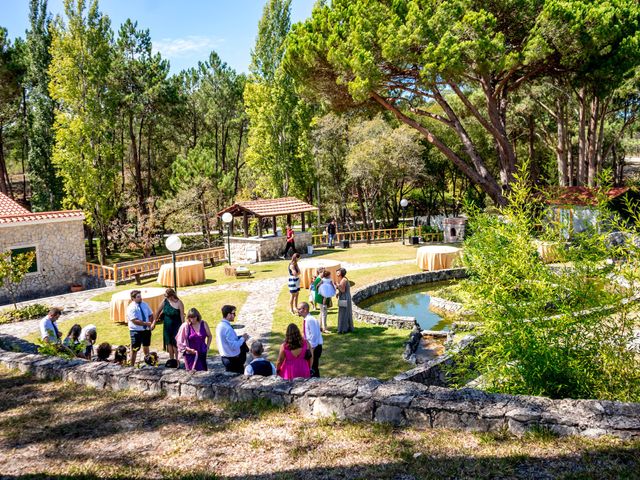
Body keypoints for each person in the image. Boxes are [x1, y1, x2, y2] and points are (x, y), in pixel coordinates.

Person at [215, 305, 249, 374]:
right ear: (228, 314)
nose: (235, 315)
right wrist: (243, 338)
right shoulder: (228, 328)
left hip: (225, 358)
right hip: (233, 360)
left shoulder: (219, 325)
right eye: (233, 313)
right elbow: (234, 346)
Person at [177, 307, 212, 372]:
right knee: (192, 373)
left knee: (203, 372)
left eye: (194, 317)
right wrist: (188, 349)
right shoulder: (185, 326)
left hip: (202, 352)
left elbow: (209, 336)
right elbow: (179, 342)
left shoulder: (203, 323)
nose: (192, 319)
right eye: (190, 317)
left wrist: (207, 346)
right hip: (190, 354)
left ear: (197, 316)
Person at [156, 288, 184, 365]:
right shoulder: (165, 301)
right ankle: (171, 360)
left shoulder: (179, 303)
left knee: (175, 343)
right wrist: (153, 322)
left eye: (168, 296)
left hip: (176, 325)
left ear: (172, 296)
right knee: (169, 343)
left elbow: (182, 315)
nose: (167, 298)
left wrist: (183, 326)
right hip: (167, 325)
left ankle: (177, 361)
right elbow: (158, 311)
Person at [126, 290, 155, 365]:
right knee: (135, 349)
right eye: (138, 297)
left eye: (140, 296)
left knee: (146, 346)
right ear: (133, 298)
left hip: (146, 330)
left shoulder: (145, 304)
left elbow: (150, 314)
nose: (140, 298)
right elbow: (134, 320)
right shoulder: (131, 308)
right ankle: (132, 365)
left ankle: (148, 362)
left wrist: (151, 324)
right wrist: (146, 323)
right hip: (136, 331)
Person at [298, 302, 323, 377]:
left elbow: (314, 336)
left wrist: (311, 349)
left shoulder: (310, 320)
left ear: (305, 310)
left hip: (314, 347)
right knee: (311, 367)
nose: (298, 311)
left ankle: (316, 383)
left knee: (313, 368)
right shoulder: (307, 319)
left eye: (299, 309)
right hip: (311, 347)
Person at [335, 268, 354, 334]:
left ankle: (343, 329)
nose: (336, 273)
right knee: (346, 312)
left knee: (343, 313)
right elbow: (343, 289)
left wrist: (337, 285)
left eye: (338, 272)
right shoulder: (344, 279)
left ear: (341, 273)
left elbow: (342, 290)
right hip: (346, 297)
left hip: (344, 298)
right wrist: (338, 292)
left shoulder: (343, 280)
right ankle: (348, 327)